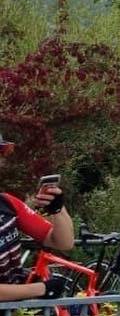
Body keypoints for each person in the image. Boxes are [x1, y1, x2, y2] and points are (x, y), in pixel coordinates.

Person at [0, 129, 77, 303]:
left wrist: (57, 209)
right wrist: (40, 289)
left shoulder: (7, 204)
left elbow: (63, 242)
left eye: (1, 153)